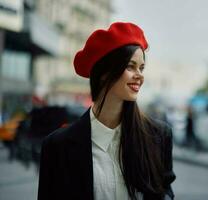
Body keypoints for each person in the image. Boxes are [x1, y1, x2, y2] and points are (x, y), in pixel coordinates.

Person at [37, 22, 176, 200]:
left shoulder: (158, 137)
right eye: (130, 66)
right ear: (104, 73)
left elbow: (165, 193)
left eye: (141, 68)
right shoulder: (57, 146)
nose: (139, 75)